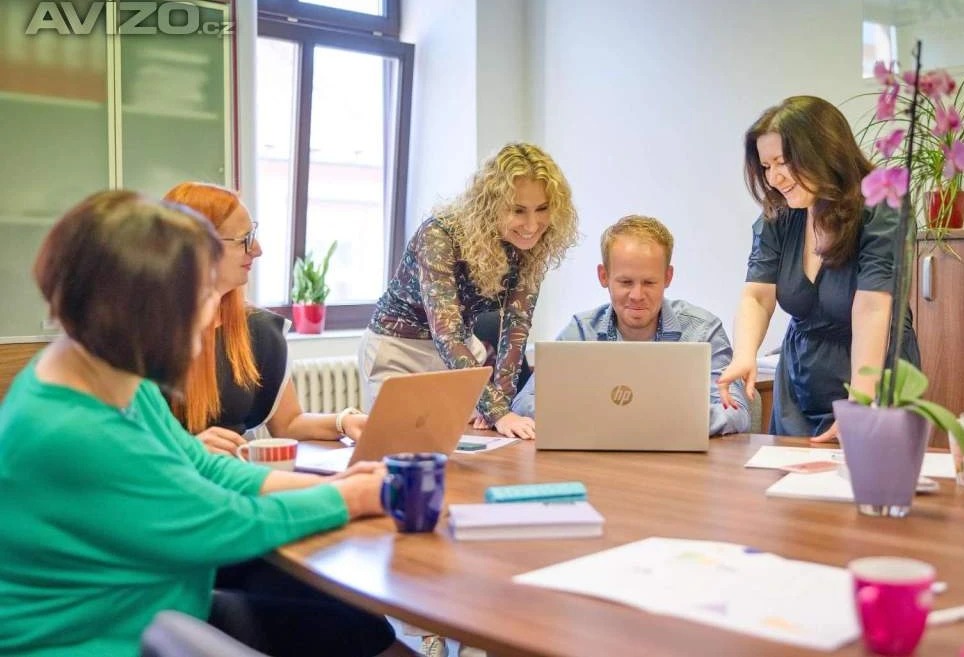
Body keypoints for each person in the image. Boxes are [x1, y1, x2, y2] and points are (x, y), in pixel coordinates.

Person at [0, 190, 412, 657]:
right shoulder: (73, 432)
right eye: (201, 296)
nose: (215, 312)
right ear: (144, 313)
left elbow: (204, 466)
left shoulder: (105, 372)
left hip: (148, 610)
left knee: (359, 627)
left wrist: (339, 484)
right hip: (101, 638)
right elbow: (225, 522)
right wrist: (351, 497)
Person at [718, 96, 921, 440]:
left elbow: (872, 308)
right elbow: (757, 296)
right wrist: (744, 354)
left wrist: (860, 401)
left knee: (867, 471)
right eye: (766, 166)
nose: (774, 178)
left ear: (823, 150)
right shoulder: (781, 214)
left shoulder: (881, 208)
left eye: (782, 162)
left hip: (871, 377)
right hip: (799, 384)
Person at [360, 143, 579, 441]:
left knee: (477, 447)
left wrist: (500, 404)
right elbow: (446, 334)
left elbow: (516, 326)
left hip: (460, 352)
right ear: (490, 205)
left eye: (542, 209)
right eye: (518, 210)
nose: (532, 225)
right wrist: (497, 410)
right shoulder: (437, 236)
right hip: (400, 351)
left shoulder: (529, 246)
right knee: (397, 446)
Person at [162, 182, 367, 455]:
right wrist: (188, 449)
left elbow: (288, 423)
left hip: (232, 471)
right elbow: (116, 441)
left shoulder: (257, 328)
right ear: (198, 248)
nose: (257, 249)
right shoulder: (138, 334)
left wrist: (344, 421)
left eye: (253, 235)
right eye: (244, 239)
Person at [511, 215, 750, 436]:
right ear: (604, 276)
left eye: (649, 282)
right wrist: (606, 419)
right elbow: (524, 401)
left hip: (677, 460)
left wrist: (652, 422)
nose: (637, 295)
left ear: (667, 277)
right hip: (598, 456)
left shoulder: (703, 331)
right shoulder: (582, 330)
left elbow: (736, 412)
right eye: (626, 282)